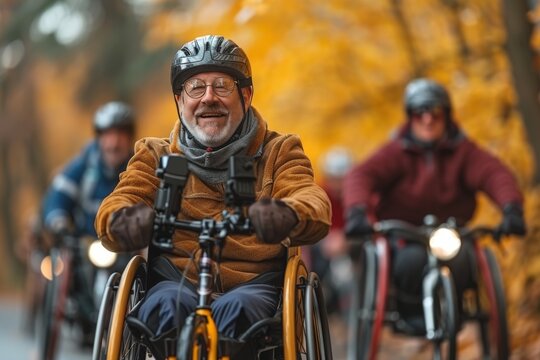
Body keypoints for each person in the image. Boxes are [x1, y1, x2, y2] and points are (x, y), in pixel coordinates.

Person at [94, 34, 331, 358]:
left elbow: (312, 201)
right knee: (165, 306)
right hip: (175, 279)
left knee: (238, 312)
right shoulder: (155, 155)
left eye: (221, 85)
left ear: (245, 95)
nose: (209, 98)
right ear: (179, 100)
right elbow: (117, 204)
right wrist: (126, 219)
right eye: (195, 87)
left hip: (254, 283)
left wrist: (287, 214)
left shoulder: (280, 151)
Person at [343, 78, 526, 330]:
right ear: (411, 117)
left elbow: (494, 174)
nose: (428, 119)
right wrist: (357, 211)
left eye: (435, 112)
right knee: (409, 262)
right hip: (405, 232)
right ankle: (411, 311)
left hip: (452, 230)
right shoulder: (396, 151)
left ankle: (455, 309)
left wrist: (511, 208)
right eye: (420, 113)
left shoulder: (464, 151)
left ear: (447, 116)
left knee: (464, 260)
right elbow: (361, 176)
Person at [41, 100, 136, 344]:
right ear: (99, 138)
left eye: (120, 136)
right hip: (85, 242)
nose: (114, 143)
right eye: (108, 136)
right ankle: (76, 306)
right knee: (69, 262)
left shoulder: (139, 167)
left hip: (123, 244)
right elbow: (59, 193)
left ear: (130, 138)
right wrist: (58, 220)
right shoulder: (84, 164)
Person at [308, 147, 354, 317]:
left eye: (342, 179)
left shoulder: (354, 195)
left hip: (349, 242)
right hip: (323, 241)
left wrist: (345, 239)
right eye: (334, 179)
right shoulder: (319, 192)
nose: (338, 184)